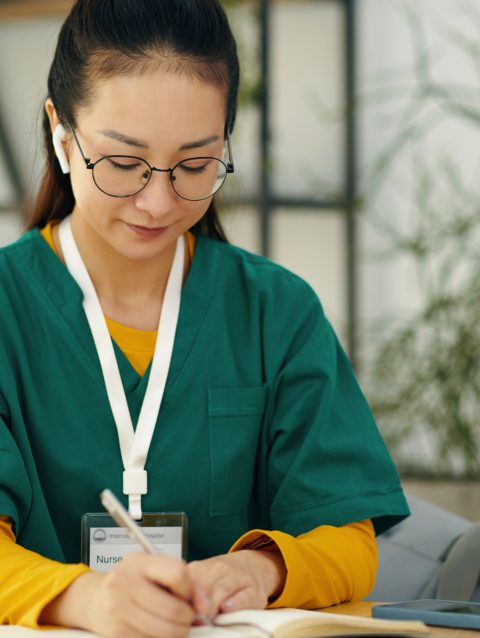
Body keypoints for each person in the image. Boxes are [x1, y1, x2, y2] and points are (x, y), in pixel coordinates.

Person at [0, 1, 409, 636]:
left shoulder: (277, 312)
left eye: (195, 165)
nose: (158, 202)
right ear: (60, 130)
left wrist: (259, 570)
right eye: (123, 163)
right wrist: (89, 601)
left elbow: (347, 534)